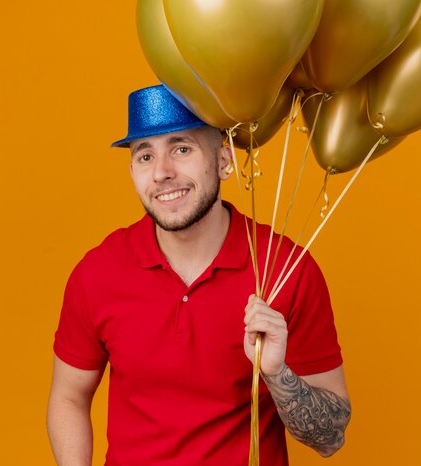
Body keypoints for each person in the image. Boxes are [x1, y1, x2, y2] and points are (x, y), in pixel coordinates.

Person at [47, 84, 351, 466]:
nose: (161, 172)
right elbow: (69, 396)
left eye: (182, 148)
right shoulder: (97, 273)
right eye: (145, 156)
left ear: (224, 160)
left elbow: (331, 438)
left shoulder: (288, 270)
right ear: (132, 171)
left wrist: (276, 372)